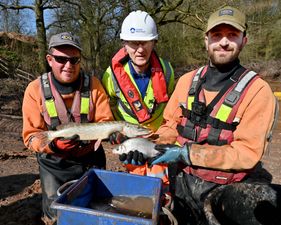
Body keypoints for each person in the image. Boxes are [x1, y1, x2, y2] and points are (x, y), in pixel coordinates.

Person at [149, 6, 278, 225]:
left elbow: (247, 153)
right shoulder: (186, 81)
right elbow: (170, 127)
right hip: (181, 186)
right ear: (206, 40)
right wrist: (145, 146)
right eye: (217, 35)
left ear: (244, 40)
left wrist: (189, 154)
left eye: (232, 35)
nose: (224, 42)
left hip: (226, 195)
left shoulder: (258, 91)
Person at [22, 32, 114, 224]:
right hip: (54, 164)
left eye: (74, 60)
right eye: (61, 59)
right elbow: (31, 136)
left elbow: (106, 120)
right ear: (49, 59)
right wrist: (54, 147)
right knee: (57, 215)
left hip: (90, 158)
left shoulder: (94, 85)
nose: (68, 65)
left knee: (96, 208)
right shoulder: (34, 89)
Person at [102, 10, 175, 186]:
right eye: (134, 43)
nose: (140, 49)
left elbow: (172, 110)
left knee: (159, 186)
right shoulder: (110, 76)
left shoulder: (167, 72)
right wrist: (114, 132)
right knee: (137, 186)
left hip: (158, 140)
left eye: (145, 43)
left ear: (154, 42)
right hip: (129, 141)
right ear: (124, 44)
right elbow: (106, 109)